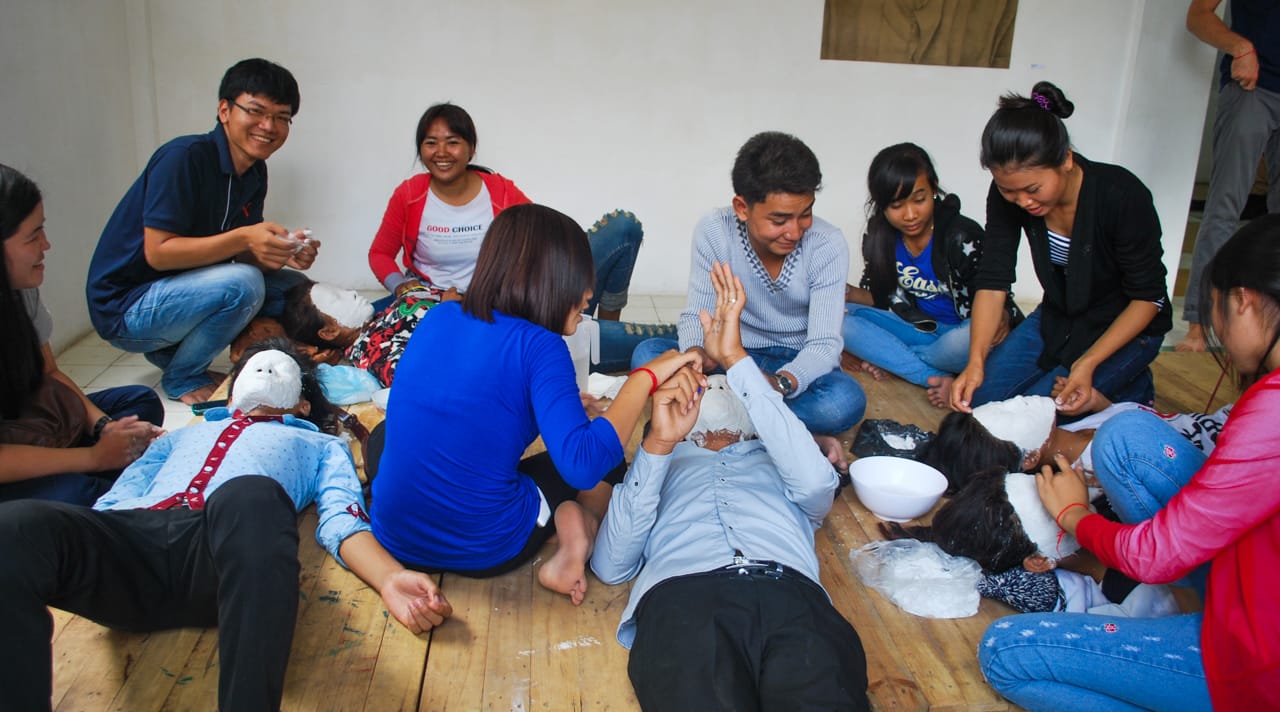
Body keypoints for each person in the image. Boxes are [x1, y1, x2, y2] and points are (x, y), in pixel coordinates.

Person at [0, 339, 453, 711]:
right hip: (131, 547)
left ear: (301, 403)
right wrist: (80, 539)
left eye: (279, 371)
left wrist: (390, 577)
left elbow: (341, 519)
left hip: (217, 558)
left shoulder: (319, 446)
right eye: (254, 370)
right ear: (232, 393)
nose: (264, 374)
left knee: (251, 492)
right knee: (15, 524)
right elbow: (121, 495)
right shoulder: (181, 435)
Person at [979, 215, 1280, 710]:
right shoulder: (1253, 402)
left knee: (1005, 651)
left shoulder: (1268, 410)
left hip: (1255, 658)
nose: (1220, 333)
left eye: (1217, 310)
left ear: (1243, 299)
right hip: (1239, 585)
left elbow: (1153, 555)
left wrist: (1075, 515)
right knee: (1126, 435)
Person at [369, 204, 702, 605]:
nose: (589, 294)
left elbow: (477, 401)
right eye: (581, 280)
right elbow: (583, 465)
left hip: (395, 537)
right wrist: (643, 379)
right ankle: (579, 534)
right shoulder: (541, 345)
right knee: (609, 458)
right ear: (551, 281)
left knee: (384, 434)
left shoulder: (439, 316)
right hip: (486, 546)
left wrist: (554, 404)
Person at [593, 262, 869, 711]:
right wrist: (660, 443)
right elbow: (610, 565)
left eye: (731, 388)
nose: (715, 385)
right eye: (705, 384)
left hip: (793, 599)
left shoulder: (785, 461)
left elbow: (820, 482)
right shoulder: (660, 463)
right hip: (685, 601)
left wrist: (738, 359)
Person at [87, 58, 319, 405]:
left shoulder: (255, 173)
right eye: (256, 111)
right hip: (126, 307)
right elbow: (159, 252)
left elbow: (239, 257)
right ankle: (181, 374)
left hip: (182, 291)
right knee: (244, 285)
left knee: (294, 289)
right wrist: (246, 238)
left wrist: (280, 251)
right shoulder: (184, 157)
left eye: (282, 117)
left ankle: (177, 351)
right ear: (224, 110)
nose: (268, 126)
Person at [949, 81, 1172, 417]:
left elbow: (1148, 298)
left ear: (1066, 159)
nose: (1022, 201)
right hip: (1060, 316)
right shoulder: (1007, 196)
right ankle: (1107, 377)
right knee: (980, 404)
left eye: (1033, 189)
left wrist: (1088, 363)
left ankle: (1133, 383)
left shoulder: (1121, 194)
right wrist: (976, 362)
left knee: (1035, 418)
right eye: (1009, 192)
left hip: (1125, 326)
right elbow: (993, 280)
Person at [631, 131, 865, 447]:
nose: (795, 231)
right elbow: (695, 316)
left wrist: (781, 383)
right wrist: (698, 355)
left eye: (805, 213)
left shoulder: (827, 245)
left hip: (792, 365)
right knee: (647, 355)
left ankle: (719, 417)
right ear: (742, 207)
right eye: (780, 219)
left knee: (843, 402)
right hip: (729, 357)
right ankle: (773, 427)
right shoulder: (715, 231)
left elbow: (824, 345)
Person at [367, 102, 643, 321]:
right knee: (362, 322)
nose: (441, 152)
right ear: (420, 150)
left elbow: (542, 237)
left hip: (496, 302)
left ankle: (602, 326)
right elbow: (380, 254)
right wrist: (404, 289)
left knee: (623, 228)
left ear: (471, 149)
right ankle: (591, 334)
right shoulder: (409, 195)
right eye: (430, 143)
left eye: (452, 142)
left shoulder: (498, 192)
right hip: (433, 303)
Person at [0, 164, 164, 505]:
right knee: (80, 495)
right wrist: (93, 458)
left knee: (139, 403)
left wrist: (105, 428)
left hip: (31, 428)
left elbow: (49, 374)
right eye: (33, 237)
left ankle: (90, 481)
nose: (47, 245)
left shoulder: (19, 287)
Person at [844, 143, 1021, 407]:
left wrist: (1003, 316)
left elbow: (993, 296)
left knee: (967, 336)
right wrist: (846, 293)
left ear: (934, 188)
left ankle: (897, 359)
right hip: (919, 330)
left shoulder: (961, 235)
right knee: (839, 318)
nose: (911, 214)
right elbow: (882, 298)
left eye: (919, 199)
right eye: (896, 205)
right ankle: (934, 376)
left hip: (962, 338)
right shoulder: (880, 237)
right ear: (881, 205)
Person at [275, 278, 675, 386]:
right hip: (553, 342)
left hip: (539, 310)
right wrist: (450, 313)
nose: (350, 292)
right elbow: (425, 377)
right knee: (666, 341)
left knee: (621, 227)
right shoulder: (372, 351)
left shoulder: (390, 306)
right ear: (328, 332)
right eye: (337, 298)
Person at [1178, 0, 1280, 352]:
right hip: (1253, 86)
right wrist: (1240, 47)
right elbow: (1197, 16)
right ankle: (1200, 324)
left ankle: (1272, 326)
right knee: (1224, 207)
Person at [924, 391, 1230, 493]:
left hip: (1229, 420)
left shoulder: (1074, 429)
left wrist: (1103, 405)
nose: (1017, 399)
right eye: (1010, 412)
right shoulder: (1099, 471)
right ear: (1030, 458)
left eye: (1003, 403)